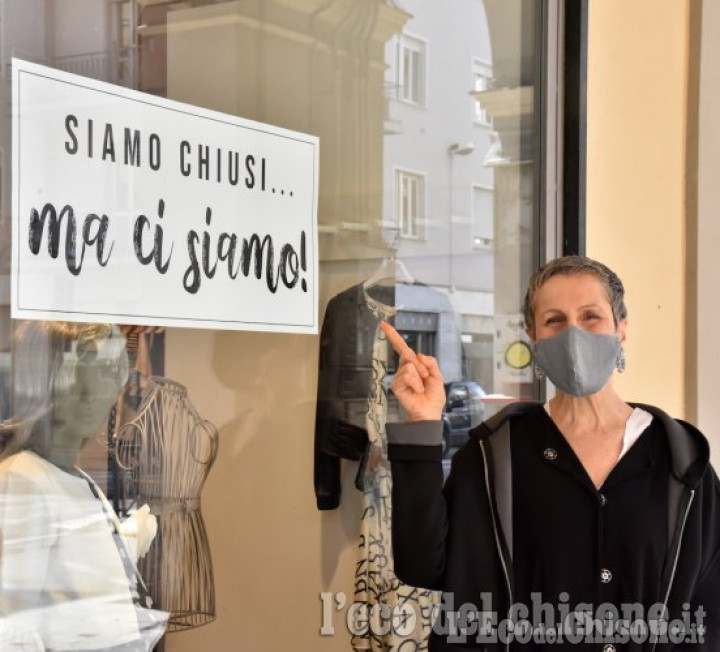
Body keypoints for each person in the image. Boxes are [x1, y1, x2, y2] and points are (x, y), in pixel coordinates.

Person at [381, 255, 720, 651]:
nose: (573, 334)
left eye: (591, 316)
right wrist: (423, 423)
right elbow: (423, 564)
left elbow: (710, 613)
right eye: (555, 321)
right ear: (532, 336)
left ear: (621, 329)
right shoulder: (494, 455)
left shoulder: (681, 463)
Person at [0, 321, 166, 650]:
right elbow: (11, 627)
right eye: (77, 381)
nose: (94, 398)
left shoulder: (75, 477)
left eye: (105, 379)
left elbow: (75, 576)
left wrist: (127, 539)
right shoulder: (24, 478)